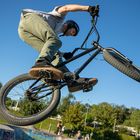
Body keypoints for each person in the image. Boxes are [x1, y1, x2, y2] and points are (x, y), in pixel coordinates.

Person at [18, 4, 98, 92]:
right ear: (69, 24)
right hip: (30, 19)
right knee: (55, 41)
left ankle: (71, 81)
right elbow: (67, 8)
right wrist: (88, 8)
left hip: (25, 33)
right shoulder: (59, 18)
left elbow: (50, 48)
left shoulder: (54, 34)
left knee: (55, 55)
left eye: (73, 35)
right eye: (73, 31)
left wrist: (64, 54)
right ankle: (40, 63)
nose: (71, 34)